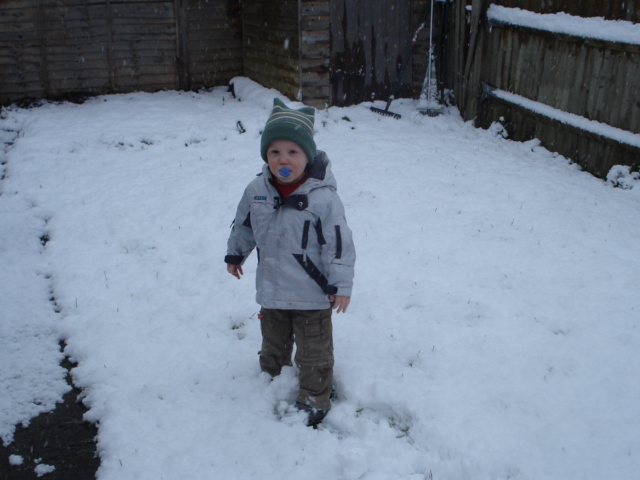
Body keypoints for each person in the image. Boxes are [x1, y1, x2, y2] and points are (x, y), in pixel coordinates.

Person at [225, 98, 356, 426]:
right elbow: (244, 224)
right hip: (272, 291)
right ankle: (271, 379)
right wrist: (236, 253)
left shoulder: (323, 198)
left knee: (314, 351)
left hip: (312, 294)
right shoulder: (257, 190)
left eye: (293, 152)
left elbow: (339, 242)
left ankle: (315, 398)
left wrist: (340, 284)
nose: (283, 159)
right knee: (273, 342)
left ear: (307, 156)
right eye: (274, 152)